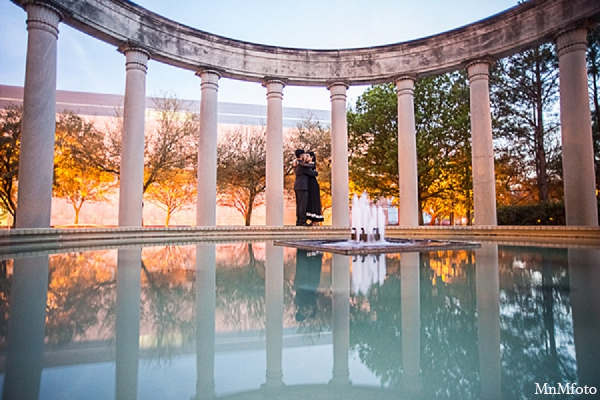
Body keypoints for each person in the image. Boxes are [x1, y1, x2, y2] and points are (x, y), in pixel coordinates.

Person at [293, 149, 318, 226]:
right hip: (302, 186)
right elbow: (313, 172)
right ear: (301, 155)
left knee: (299, 204)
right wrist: (312, 164)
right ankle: (302, 221)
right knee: (302, 204)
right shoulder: (301, 165)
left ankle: (299, 221)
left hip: (298, 186)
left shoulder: (297, 164)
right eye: (304, 154)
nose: (305, 156)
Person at [305, 151, 324, 225]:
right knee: (309, 201)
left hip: (313, 185)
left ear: (312, 157)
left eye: (307, 156)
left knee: (314, 201)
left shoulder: (312, 165)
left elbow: (314, 173)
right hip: (308, 185)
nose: (306, 157)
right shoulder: (306, 165)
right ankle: (311, 220)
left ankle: (315, 220)